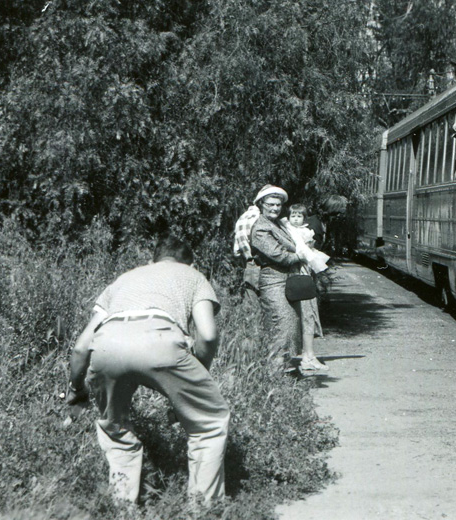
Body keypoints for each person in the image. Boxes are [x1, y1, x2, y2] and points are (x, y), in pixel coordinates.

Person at [65, 235, 229, 505]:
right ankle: (204, 509)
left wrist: (75, 390)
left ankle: (122, 507)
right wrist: (196, 383)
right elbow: (208, 336)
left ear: (151, 260)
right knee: (208, 423)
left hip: (107, 346)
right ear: (191, 263)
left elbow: (82, 348)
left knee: (113, 427)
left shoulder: (124, 279)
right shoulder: (193, 276)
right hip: (160, 342)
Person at [249, 185, 326, 373]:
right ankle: (273, 368)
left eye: (278, 205)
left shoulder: (277, 225)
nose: (275, 208)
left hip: (286, 279)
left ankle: (281, 367)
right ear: (261, 205)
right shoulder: (261, 228)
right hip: (272, 281)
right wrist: (301, 255)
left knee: (290, 323)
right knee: (280, 322)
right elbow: (278, 255)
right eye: (270, 205)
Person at [282, 203, 329, 370]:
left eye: (299, 216)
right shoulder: (288, 230)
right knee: (307, 312)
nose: (295, 219)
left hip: (305, 271)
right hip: (299, 273)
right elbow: (301, 251)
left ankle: (308, 355)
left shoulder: (304, 230)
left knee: (308, 313)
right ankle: (307, 357)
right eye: (293, 216)